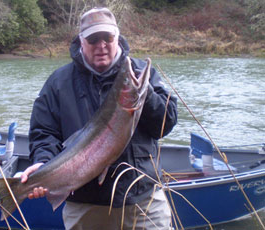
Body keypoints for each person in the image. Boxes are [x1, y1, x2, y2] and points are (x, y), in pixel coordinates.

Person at [21, 7, 178, 230]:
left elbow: (166, 123)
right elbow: (44, 133)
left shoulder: (143, 74)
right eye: (93, 39)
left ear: (118, 37)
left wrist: (144, 94)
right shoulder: (58, 83)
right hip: (85, 206)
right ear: (81, 41)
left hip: (142, 200)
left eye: (107, 37)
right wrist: (43, 163)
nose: (101, 45)